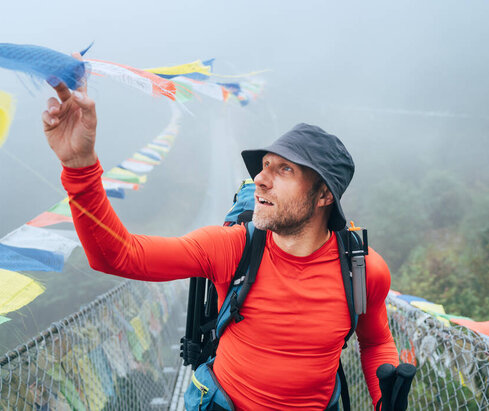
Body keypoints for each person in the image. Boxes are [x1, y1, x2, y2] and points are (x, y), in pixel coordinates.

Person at [42, 64, 400, 410]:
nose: (260, 179)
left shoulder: (363, 270)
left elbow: (376, 342)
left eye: (285, 169)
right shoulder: (232, 247)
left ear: (324, 196)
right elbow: (119, 256)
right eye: (265, 166)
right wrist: (79, 167)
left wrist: (388, 401)